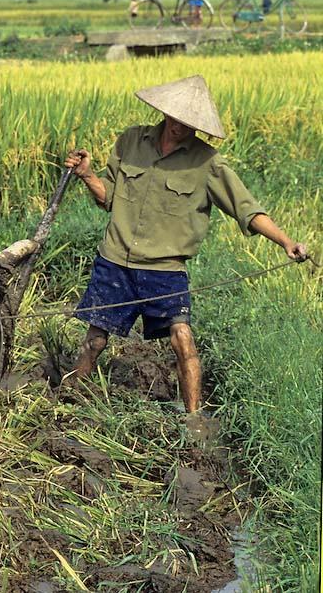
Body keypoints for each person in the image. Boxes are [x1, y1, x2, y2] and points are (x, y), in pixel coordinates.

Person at [63, 75, 308, 433]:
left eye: (190, 123)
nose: (180, 127)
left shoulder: (208, 163)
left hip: (164, 268)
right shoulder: (132, 140)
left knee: (183, 338)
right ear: (164, 112)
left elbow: (247, 210)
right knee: (95, 337)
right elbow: (108, 198)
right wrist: (86, 174)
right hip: (115, 258)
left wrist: (286, 242)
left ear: (199, 127)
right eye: (176, 118)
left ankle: (192, 420)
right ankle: (72, 399)